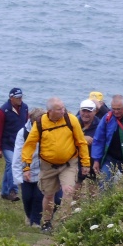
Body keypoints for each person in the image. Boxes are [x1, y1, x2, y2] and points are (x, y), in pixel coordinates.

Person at [21, 97, 90, 233]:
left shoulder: (71, 120)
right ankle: (47, 222)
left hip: (69, 164)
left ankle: (62, 223)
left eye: (63, 108)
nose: (63, 111)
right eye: (59, 109)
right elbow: (29, 145)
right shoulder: (40, 123)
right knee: (48, 195)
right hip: (48, 166)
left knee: (68, 191)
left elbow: (81, 142)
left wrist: (85, 163)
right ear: (50, 111)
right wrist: (26, 167)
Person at [12, 108, 46, 227]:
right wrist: (18, 178)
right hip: (26, 169)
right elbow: (17, 156)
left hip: (43, 170)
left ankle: (35, 221)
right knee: (27, 197)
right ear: (31, 121)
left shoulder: (48, 131)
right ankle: (28, 215)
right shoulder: (23, 133)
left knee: (38, 196)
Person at [0, 87, 28, 202]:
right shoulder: (3, 111)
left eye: (21, 97)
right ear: (11, 98)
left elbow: (27, 125)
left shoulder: (25, 108)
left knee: (9, 166)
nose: (20, 99)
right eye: (17, 97)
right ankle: (13, 191)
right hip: (7, 143)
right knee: (12, 164)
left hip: (20, 143)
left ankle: (4, 191)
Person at [75, 99, 101, 191]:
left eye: (89, 111)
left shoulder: (100, 125)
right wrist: (83, 138)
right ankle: (74, 205)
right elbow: (66, 138)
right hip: (77, 160)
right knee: (74, 190)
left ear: (95, 112)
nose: (86, 114)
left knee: (93, 190)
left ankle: (91, 206)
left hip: (94, 160)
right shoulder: (74, 122)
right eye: (83, 111)